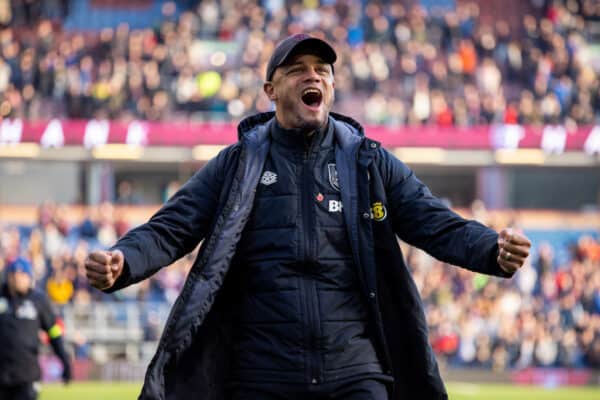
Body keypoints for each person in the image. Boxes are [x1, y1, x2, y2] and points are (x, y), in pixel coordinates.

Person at [85, 34, 531, 400]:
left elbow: (437, 223)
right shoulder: (238, 164)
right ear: (271, 91)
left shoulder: (368, 163)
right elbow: (171, 227)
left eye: (322, 69)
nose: (312, 75)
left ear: (332, 88)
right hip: (262, 375)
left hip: (355, 372)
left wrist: (492, 249)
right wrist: (124, 259)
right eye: (297, 69)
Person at [0, 257, 72, 400]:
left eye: (22, 275)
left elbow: (53, 332)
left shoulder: (38, 300)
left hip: (27, 376)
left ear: (29, 277)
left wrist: (64, 360)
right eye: (13, 274)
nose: (17, 278)